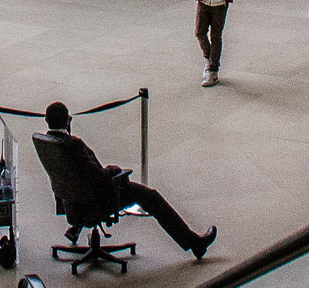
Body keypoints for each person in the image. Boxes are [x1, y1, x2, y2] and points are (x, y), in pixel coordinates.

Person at [39, 102, 217, 258]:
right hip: (96, 201)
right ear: (68, 120)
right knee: (151, 197)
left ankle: (77, 226)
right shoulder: (73, 145)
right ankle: (194, 243)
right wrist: (114, 170)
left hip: (71, 204)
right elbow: (98, 178)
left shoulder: (44, 142)